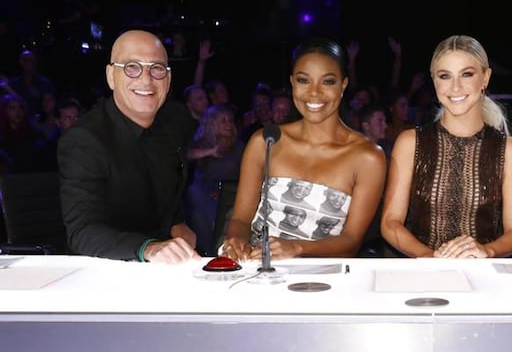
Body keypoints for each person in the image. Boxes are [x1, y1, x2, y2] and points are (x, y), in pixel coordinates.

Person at [221, 38, 386, 261]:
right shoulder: (266, 141)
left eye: (327, 82)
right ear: (292, 82)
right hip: (257, 267)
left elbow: (351, 241)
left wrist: (296, 247)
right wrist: (236, 241)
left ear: (343, 85)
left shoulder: (368, 157)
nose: (314, 93)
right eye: (303, 80)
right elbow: (240, 219)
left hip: (321, 276)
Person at [58, 29, 200, 263]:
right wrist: (148, 248)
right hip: (105, 267)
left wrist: (177, 222)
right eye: (132, 67)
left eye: (156, 68)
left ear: (168, 79)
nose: (146, 79)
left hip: (168, 265)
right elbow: (82, 232)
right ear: (111, 76)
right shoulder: (84, 139)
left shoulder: (175, 122)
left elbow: (166, 188)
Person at [380, 35, 512, 258]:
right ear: (434, 81)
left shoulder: (509, 150)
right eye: (445, 76)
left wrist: (487, 250)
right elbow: (390, 223)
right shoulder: (410, 142)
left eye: (466, 74)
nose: (455, 87)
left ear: (485, 77)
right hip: (422, 271)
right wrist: (429, 258)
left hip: (481, 272)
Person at [184, 104, 244, 256]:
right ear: (212, 123)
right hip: (204, 192)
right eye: (223, 120)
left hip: (230, 193)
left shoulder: (238, 147)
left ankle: (217, 249)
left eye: (230, 120)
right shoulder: (201, 143)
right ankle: (206, 251)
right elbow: (185, 155)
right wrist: (210, 152)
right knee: (194, 196)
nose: (228, 124)